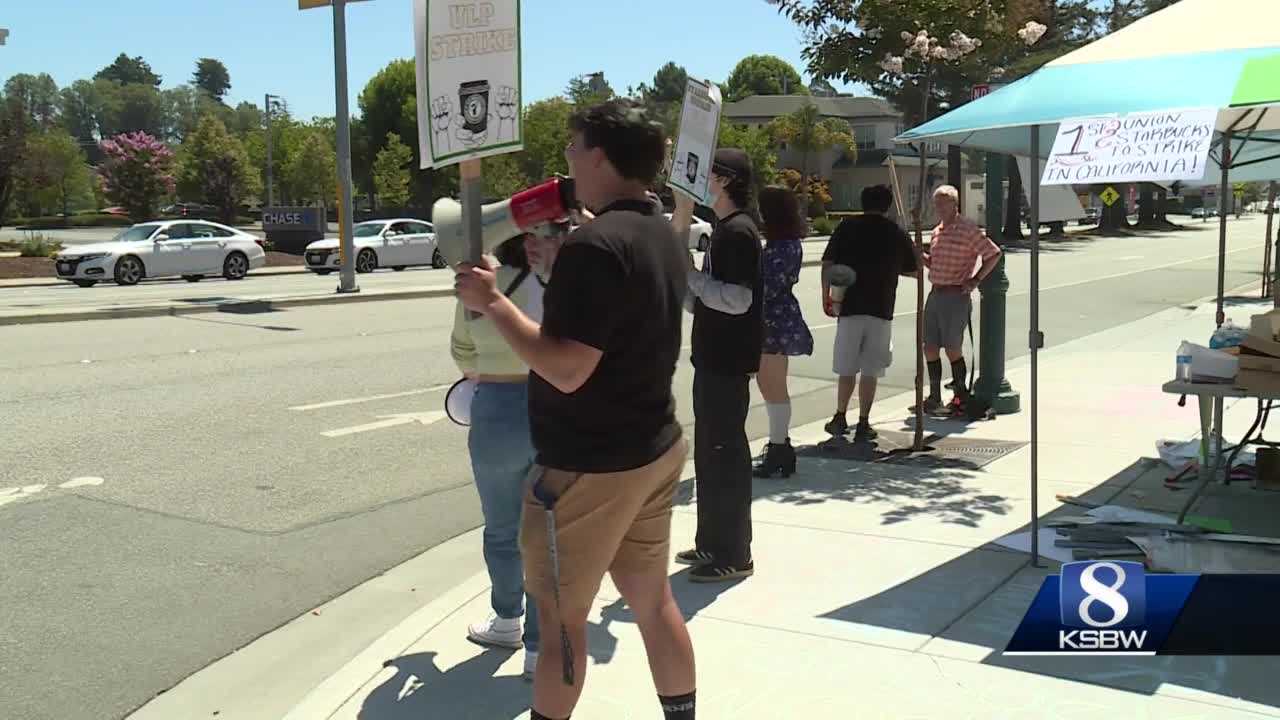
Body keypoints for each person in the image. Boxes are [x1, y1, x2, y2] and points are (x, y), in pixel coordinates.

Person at [455, 100, 696, 720]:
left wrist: (494, 304)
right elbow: (620, 320)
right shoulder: (659, 232)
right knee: (652, 601)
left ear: (599, 155)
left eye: (572, 144)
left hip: (587, 468)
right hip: (654, 446)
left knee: (563, 623)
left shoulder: (596, 243)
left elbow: (566, 368)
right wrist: (564, 270)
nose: (566, 156)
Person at [449, 233, 544, 679]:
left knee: (502, 527)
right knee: (547, 534)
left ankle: (507, 620)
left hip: (495, 411)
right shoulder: (557, 280)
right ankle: (539, 649)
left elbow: (461, 351)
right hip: (551, 408)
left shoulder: (477, 283)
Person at [670, 148, 763, 583]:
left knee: (725, 456)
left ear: (725, 180)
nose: (701, 179)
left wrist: (691, 277)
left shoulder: (739, 232)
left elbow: (738, 299)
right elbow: (708, 298)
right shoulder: (726, 230)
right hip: (712, 358)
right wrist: (688, 280)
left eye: (708, 173)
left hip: (726, 362)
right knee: (710, 454)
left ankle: (734, 553)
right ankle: (712, 542)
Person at [820, 185, 919, 441]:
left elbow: (828, 263)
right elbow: (914, 270)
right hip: (881, 307)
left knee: (846, 367)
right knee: (871, 369)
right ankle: (864, 421)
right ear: (887, 205)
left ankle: (840, 415)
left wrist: (826, 296)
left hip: (849, 306)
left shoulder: (846, 227)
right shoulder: (895, 232)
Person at [919, 184, 1001, 415]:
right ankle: (934, 396)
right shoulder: (937, 231)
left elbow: (993, 253)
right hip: (935, 293)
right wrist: (920, 255)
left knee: (953, 347)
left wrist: (976, 279)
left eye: (944, 202)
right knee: (930, 346)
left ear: (955, 204)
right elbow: (934, 263)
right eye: (936, 203)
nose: (939, 207)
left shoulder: (967, 229)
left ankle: (960, 395)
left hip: (956, 295)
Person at [752, 185, 813, 478]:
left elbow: (768, 286)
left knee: (772, 387)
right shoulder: (788, 242)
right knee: (773, 387)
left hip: (772, 321)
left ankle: (779, 448)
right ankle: (780, 446)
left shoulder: (781, 246)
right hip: (779, 319)